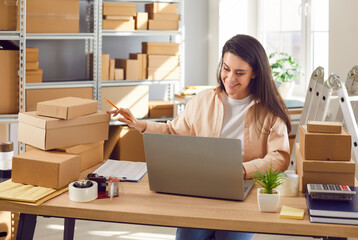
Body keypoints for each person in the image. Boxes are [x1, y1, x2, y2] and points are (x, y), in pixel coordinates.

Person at [108, 34, 291, 240]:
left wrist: (242, 170)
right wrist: (138, 123)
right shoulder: (203, 100)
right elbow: (172, 131)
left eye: (240, 73)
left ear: (255, 73)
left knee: (228, 237)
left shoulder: (271, 108)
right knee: (188, 236)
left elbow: (280, 157)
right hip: (203, 187)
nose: (230, 78)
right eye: (226, 68)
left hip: (245, 189)